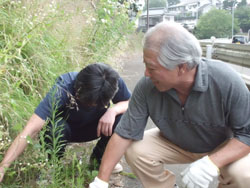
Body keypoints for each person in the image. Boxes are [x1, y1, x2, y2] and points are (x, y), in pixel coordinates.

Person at [89, 22, 250, 188]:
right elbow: (124, 133)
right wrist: (101, 180)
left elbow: (247, 134)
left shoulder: (226, 80)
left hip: (220, 144)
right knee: (136, 151)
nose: (146, 73)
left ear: (181, 67)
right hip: (176, 142)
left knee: (244, 175)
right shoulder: (147, 86)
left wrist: (211, 162)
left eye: (151, 67)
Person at [0, 62, 131, 183]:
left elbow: (130, 103)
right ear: (78, 89)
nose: (91, 106)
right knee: (56, 127)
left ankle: (100, 161)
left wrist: (112, 111)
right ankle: (50, 168)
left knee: (125, 117)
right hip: (63, 131)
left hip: (95, 128)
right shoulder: (63, 87)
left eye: (96, 104)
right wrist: (3, 167)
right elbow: (31, 130)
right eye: (88, 103)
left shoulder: (111, 82)